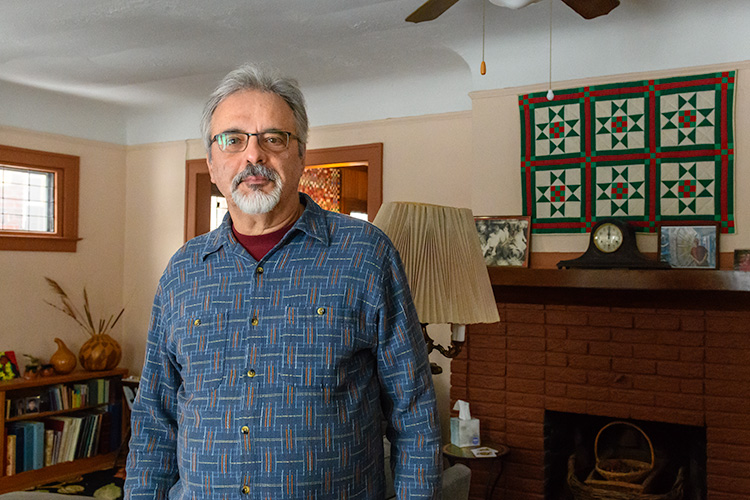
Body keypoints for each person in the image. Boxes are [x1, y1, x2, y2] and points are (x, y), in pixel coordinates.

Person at [124, 64, 442, 500]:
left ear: (301, 156)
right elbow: (154, 421)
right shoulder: (182, 273)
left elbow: (415, 413)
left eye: (273, 138)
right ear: (212, 164)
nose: (253, 155)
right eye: (233, 140)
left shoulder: (366, 255)